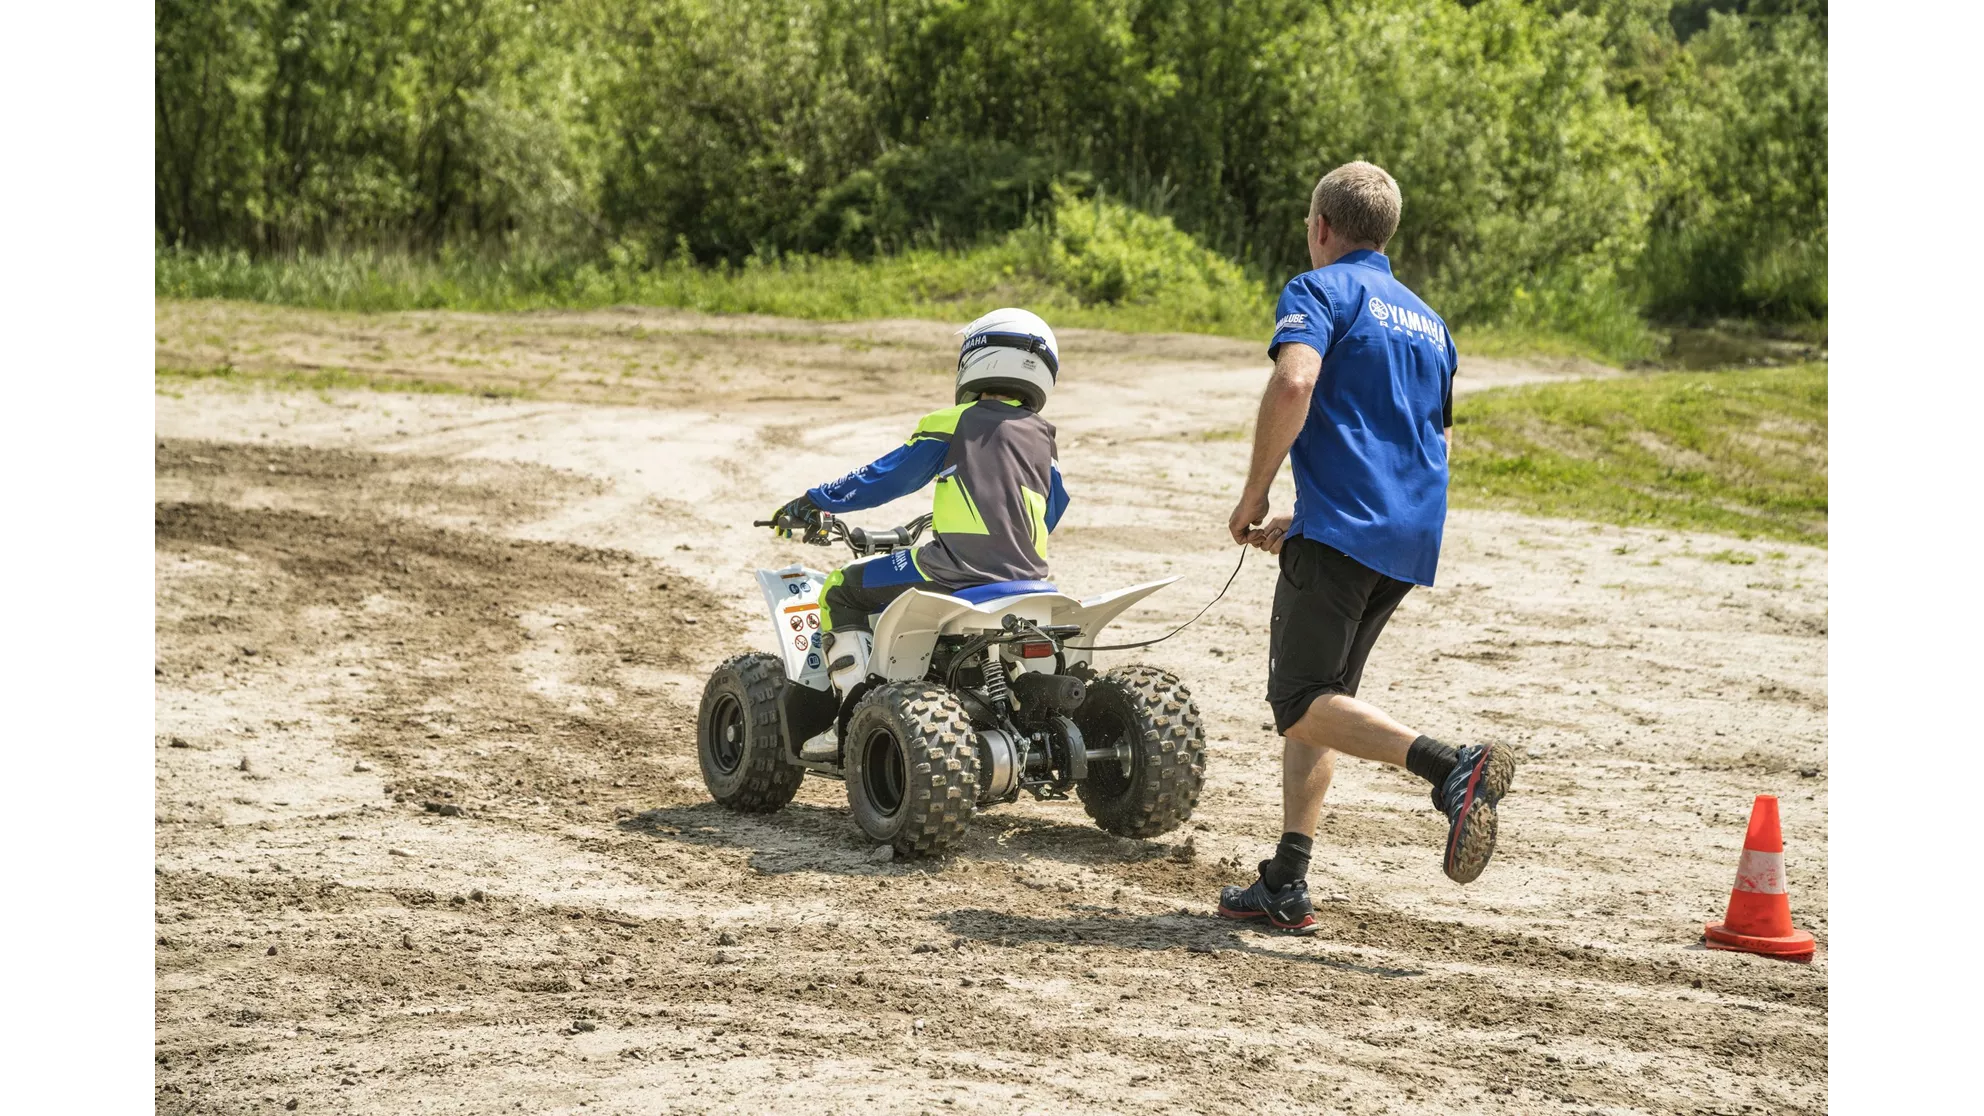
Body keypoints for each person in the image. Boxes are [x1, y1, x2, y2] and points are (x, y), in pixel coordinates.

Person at [1217, 162, 1516, 934]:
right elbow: (1435, 440)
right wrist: (1310, 517)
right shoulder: (1431, 322)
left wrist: (1255, 497)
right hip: (1403, 538)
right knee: (1321, 705)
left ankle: (1451, 766)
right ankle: (1287, 878)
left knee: (1298, 700)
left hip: (1348, 528)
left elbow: (1295, 383)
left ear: (1321, 227)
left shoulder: (1318, 290)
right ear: (1386, 232)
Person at [767, 308, 1071, 755]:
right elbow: (1056, 503)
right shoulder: (1045, 437)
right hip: (1030, 580)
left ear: (976, 358)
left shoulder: (953, 421)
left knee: (839, 589)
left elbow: (885, 477)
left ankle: (849, 717)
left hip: (952, 569)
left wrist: (816, 500)